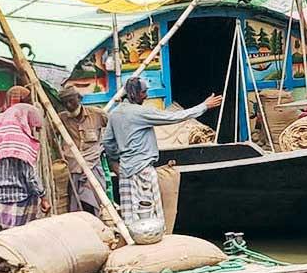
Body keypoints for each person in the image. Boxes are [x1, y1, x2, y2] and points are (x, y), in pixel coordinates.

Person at [104, 76, 221, 243]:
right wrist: (204, 106)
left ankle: (131, 244)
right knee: (149, 215)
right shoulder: (141, 112)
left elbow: (107, 142)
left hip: (125, 172)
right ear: (134, 94)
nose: (146, 96)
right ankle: (153, 244)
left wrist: (115, 163)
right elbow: (174, 118)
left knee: (130, 215)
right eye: (144, 92)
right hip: (143, 171)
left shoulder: (115, 114)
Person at [0, 87, 49, 229]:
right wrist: (43, 196)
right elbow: (30, 175)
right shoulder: (20, 139)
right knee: (22, 238)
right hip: (22, 198)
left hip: (0, 199)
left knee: (6, 235)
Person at [54, 86, 108, 215]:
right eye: (65, 102)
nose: (69, 105)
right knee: (76, 202)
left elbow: (113, 130)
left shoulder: (97, 114)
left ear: (79, 98)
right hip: (73, 166)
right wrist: (60, 151)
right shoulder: (61, 119)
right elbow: (51, 137)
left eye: (71, 101)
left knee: (92, 198)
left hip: (93, 164)